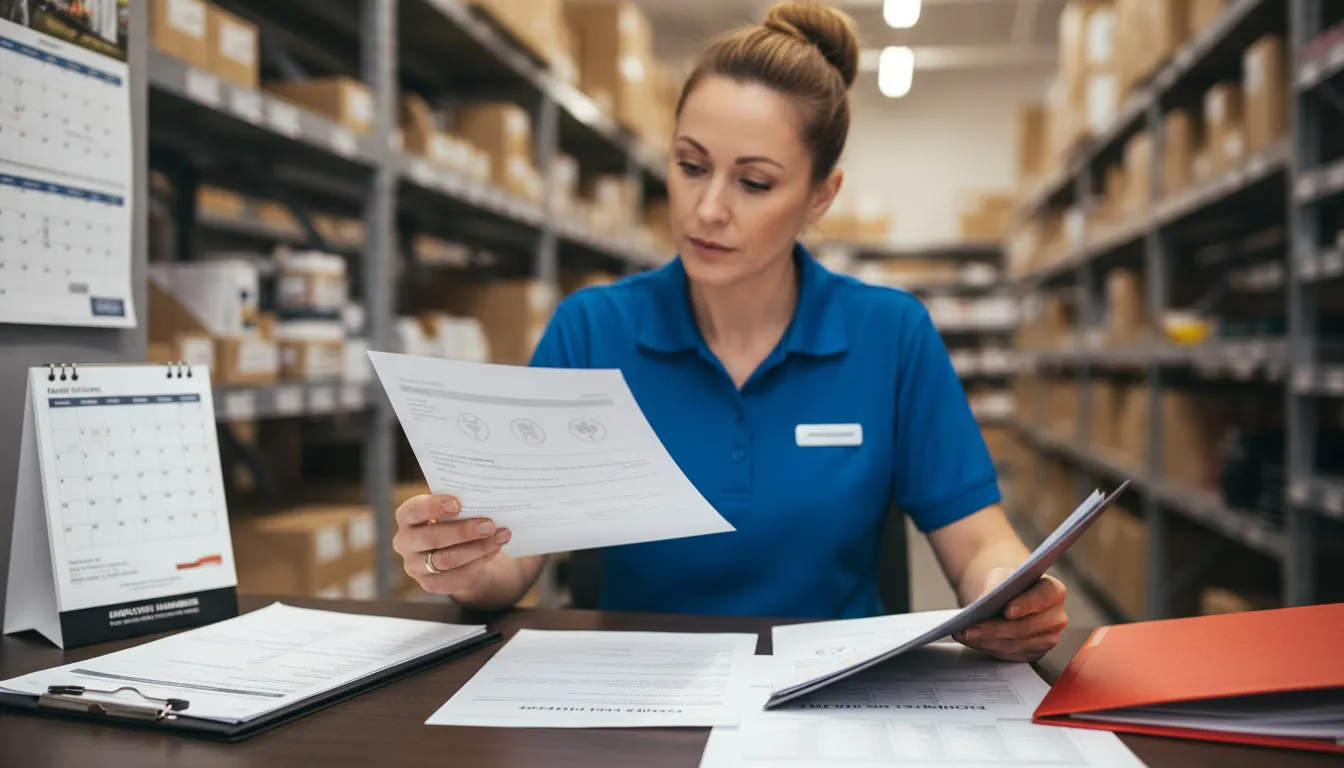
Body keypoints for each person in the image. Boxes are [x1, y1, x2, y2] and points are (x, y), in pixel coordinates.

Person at [393, 1, 1068, 662]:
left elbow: (981, 543)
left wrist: (1008, 596)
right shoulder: (593, 330)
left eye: (753, 182)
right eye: (690, 166)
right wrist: (461, 563)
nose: (707, 208)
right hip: (635, 705)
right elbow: (513, 558)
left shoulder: (890, 336)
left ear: (819, 196)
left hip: (833, 700)